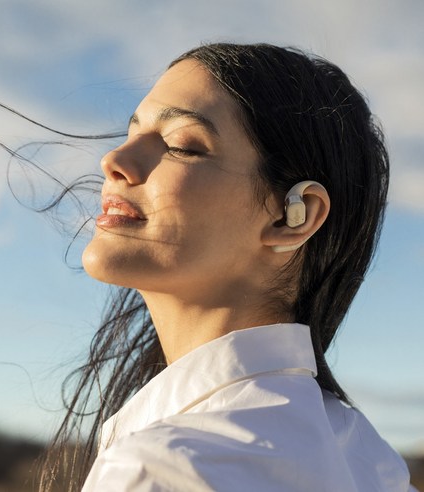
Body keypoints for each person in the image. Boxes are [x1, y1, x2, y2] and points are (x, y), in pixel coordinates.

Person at [39, 43, 414, 491]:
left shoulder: (164, 469)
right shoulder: (370, 459)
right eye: (131, 133)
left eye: (181, 145)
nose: (114, 162)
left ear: (291, 216)